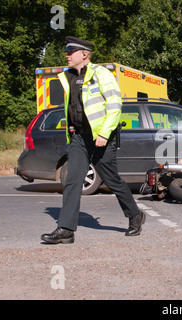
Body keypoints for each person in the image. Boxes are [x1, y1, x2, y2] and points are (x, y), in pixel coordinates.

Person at [41, 36, 145, 244]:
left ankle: (135, 215)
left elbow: (115, 106)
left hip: (101, 137)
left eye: (71, 52)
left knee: (112, 180)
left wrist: (104, 134)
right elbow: (74, 107)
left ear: (84, 54)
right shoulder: (68, 77)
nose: (67, 56)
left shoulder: (102, 75)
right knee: (72, 180)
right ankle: (66, 229)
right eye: (67, 53)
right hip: (79, 137)